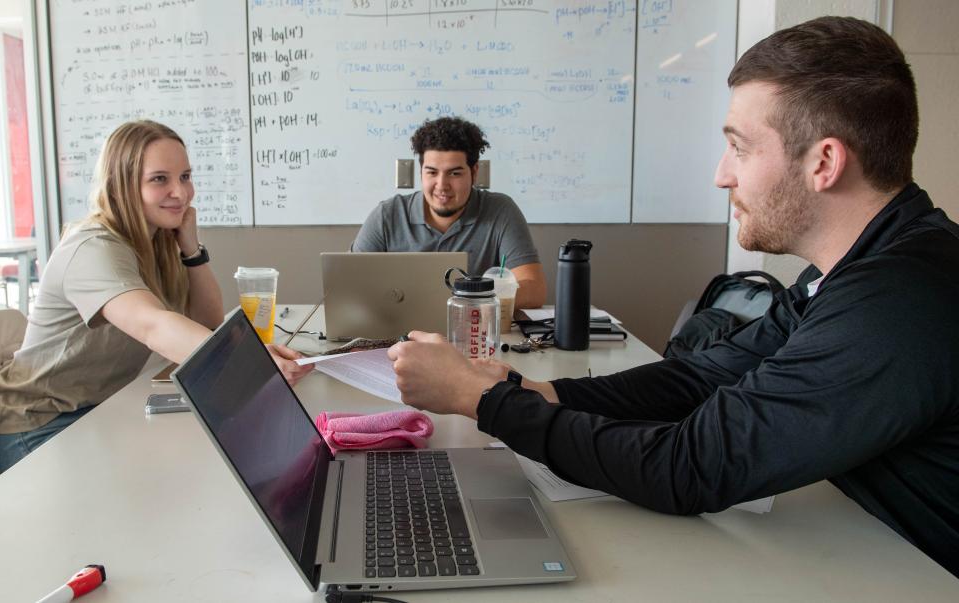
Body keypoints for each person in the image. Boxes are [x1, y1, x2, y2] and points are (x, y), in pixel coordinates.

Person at [387, 17, 959, 576]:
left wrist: (480, 402)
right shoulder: (842, 274)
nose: (721, 174)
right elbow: (697, 378)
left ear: (824, 163)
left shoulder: (899, 302)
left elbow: (689, 466)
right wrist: (540, 391)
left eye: (740, 148)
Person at [0, 120, 312, 473]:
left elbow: (206, 322)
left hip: (97, 411)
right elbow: (152, 326)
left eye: (185, 176)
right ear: (122, 185)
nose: (180, 192)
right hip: (38, 427)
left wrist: (191, 248)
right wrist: (246, 361)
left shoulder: (156, 241)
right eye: (160, 179)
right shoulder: (92, 248)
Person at [352, 116, 547, 309]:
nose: (442, 186)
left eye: (455, 173)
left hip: (473, 332)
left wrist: (467, 302)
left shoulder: (501, 211)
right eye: (432, 172)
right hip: (400, 334)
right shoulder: (387, 215)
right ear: (421, 172)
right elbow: (349, 285)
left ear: (474, 172)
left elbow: (534, 290)